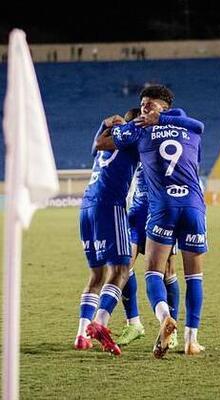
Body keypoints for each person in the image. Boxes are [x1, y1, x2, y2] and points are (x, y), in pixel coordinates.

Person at [96, 85, 207, 358]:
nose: (144, 108)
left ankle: (162, 322)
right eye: (142, 104)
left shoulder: (140, 130)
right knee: (183, 275)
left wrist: (110, 125)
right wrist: (161, 120)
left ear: (164, 108)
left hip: (160, 208)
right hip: (191, 205)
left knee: (155, 272)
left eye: (150, 104)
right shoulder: (186, 125)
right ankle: (184, 337)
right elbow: (198, 127)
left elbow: (102, 142)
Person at [73, 110, 139, 356]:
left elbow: (95, 146)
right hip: (109, 206)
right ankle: (100, 323)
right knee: (121, 270)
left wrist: (104, 123)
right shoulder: (133, 137)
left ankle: (81, 335)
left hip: (86, 207)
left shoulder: (105, 139)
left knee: (96, 275)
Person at [115, 108, 181, 350]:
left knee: (167, 270)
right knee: (124, 266)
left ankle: (171, 328)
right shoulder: (134, 140)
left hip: (160, 213)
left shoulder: (166, 136)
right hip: (135, 213)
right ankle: (134, 323)